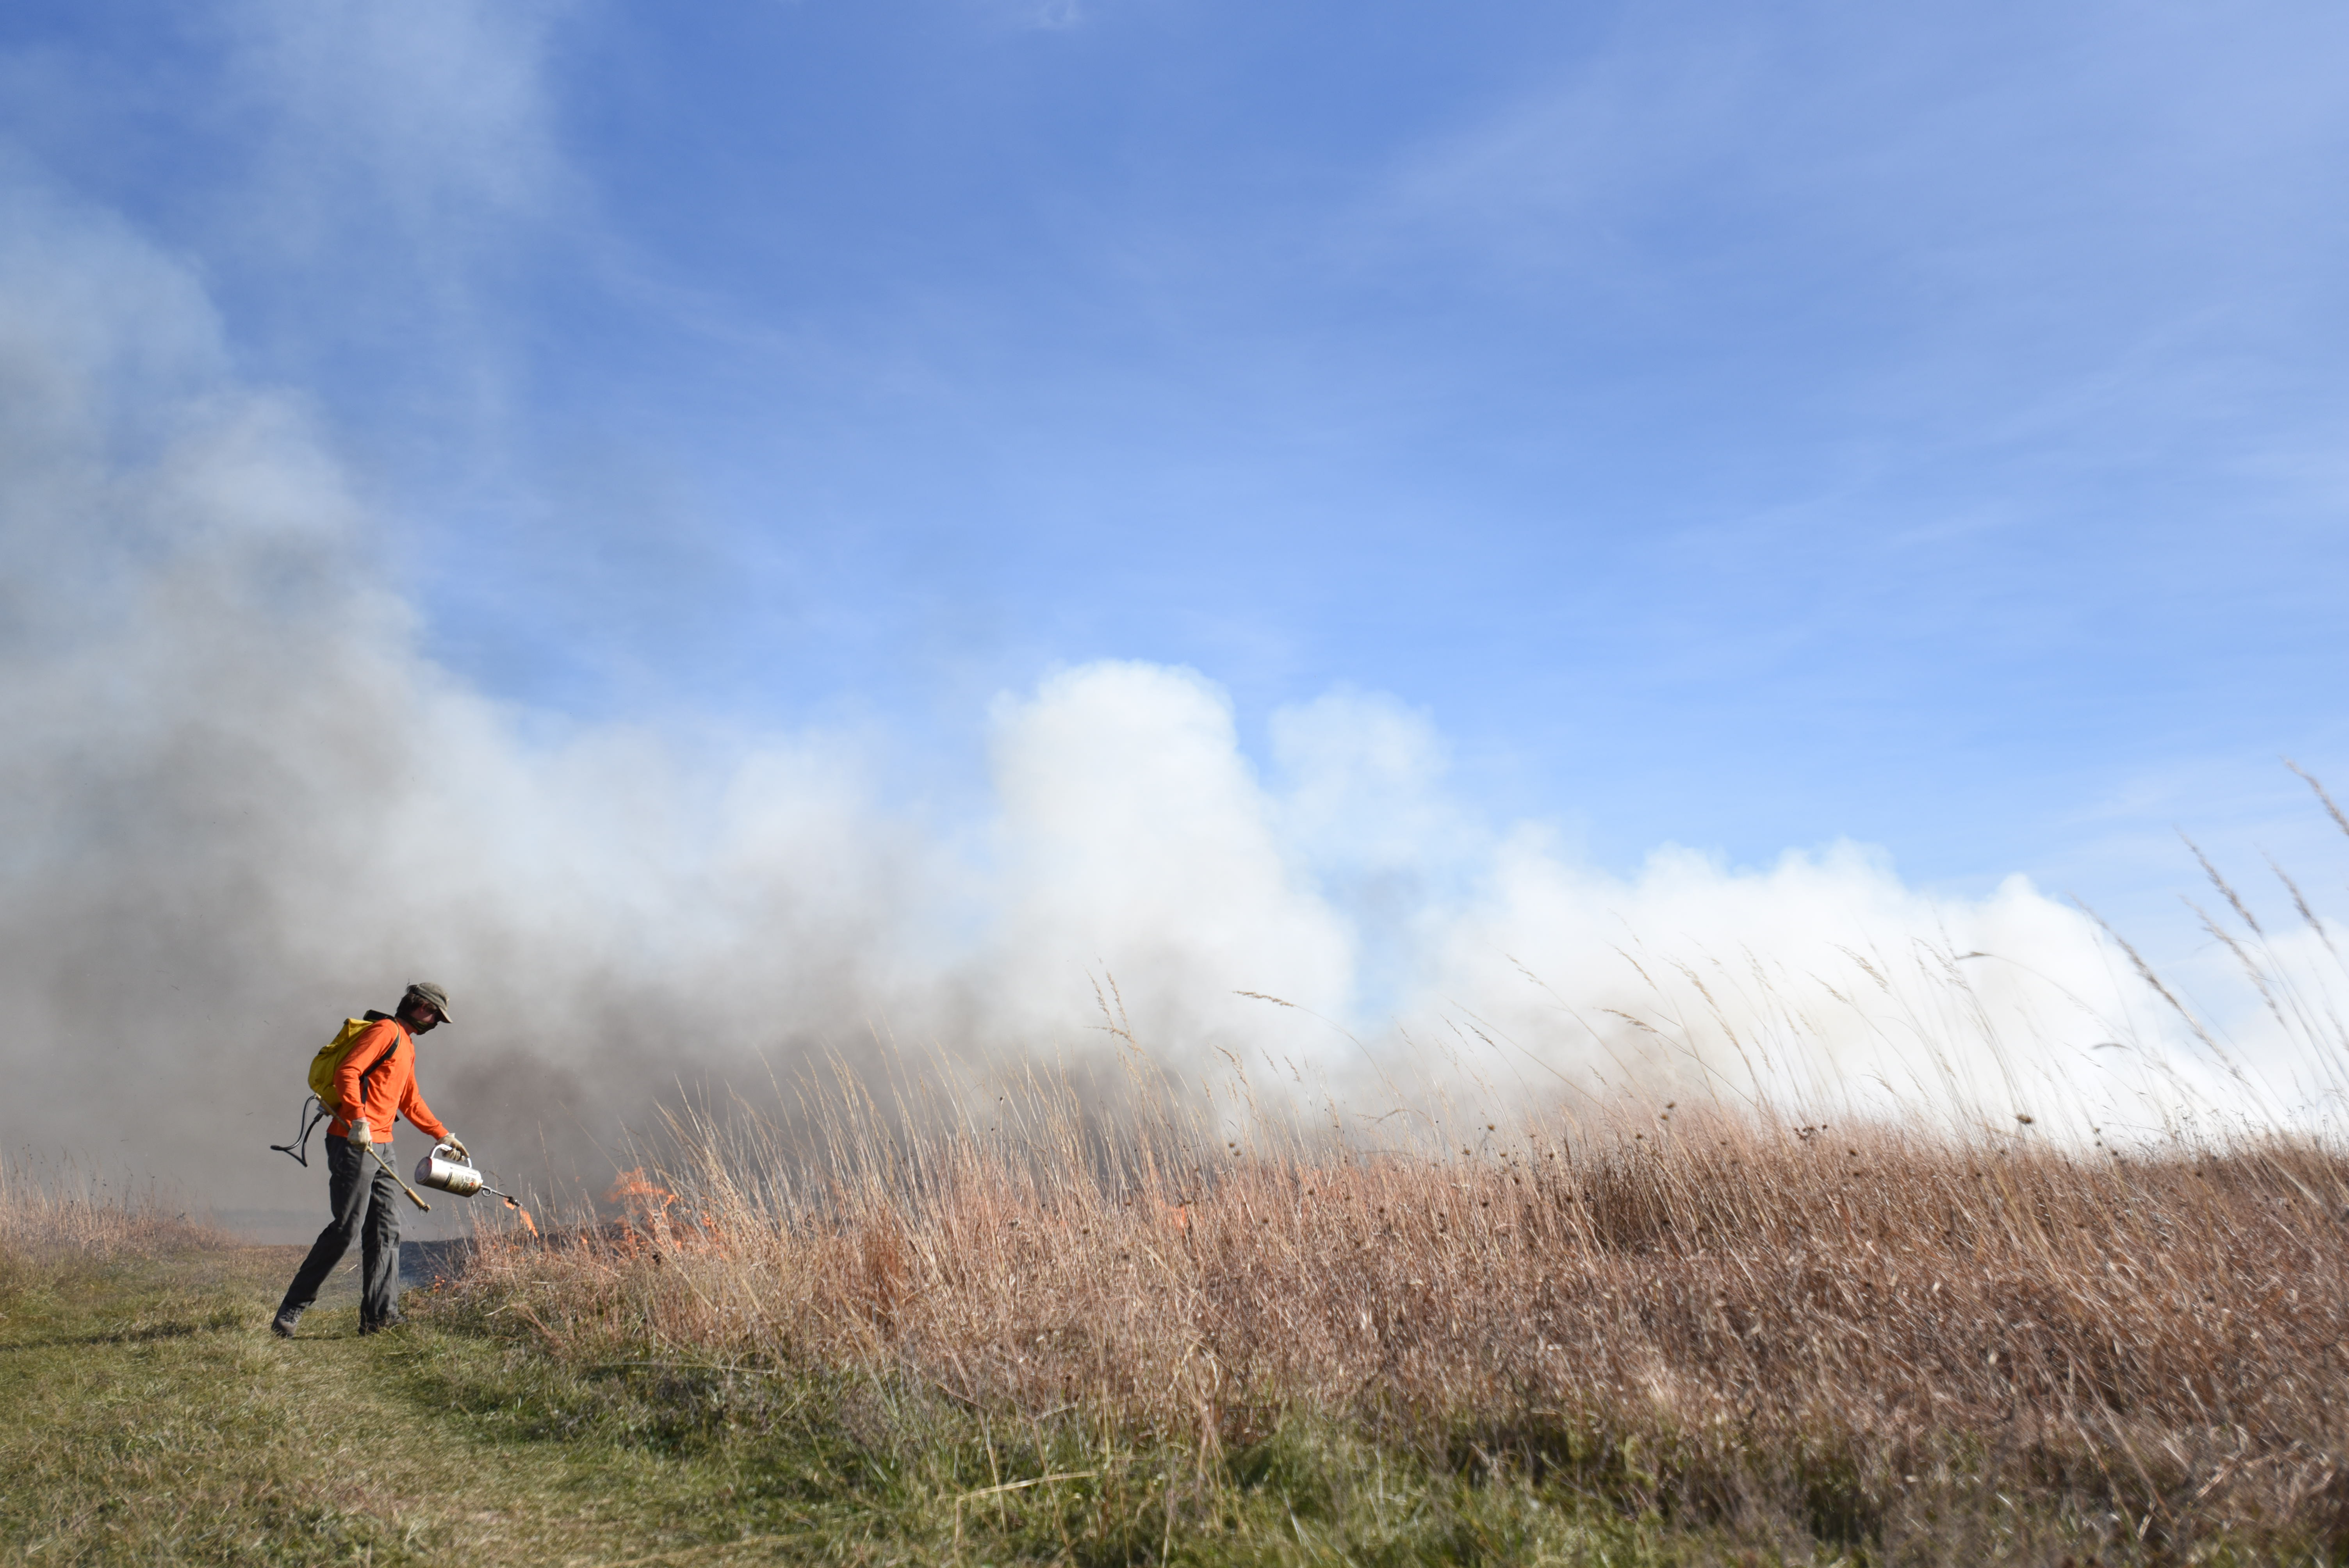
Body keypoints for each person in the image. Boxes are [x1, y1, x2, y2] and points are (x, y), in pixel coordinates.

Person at [270, 982, 465, 1338]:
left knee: (386, 1231)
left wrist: (441, 1134)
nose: (436, 1022)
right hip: (353, 1142)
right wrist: (358, 1118)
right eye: (435, 1014)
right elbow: (347, 1071)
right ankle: (291, 1310)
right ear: (420, 1006)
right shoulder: (384, 1031)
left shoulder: (406, 1043)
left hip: (383, 1145)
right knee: (346, 1229)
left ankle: (380, 1317)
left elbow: (409, 1098)